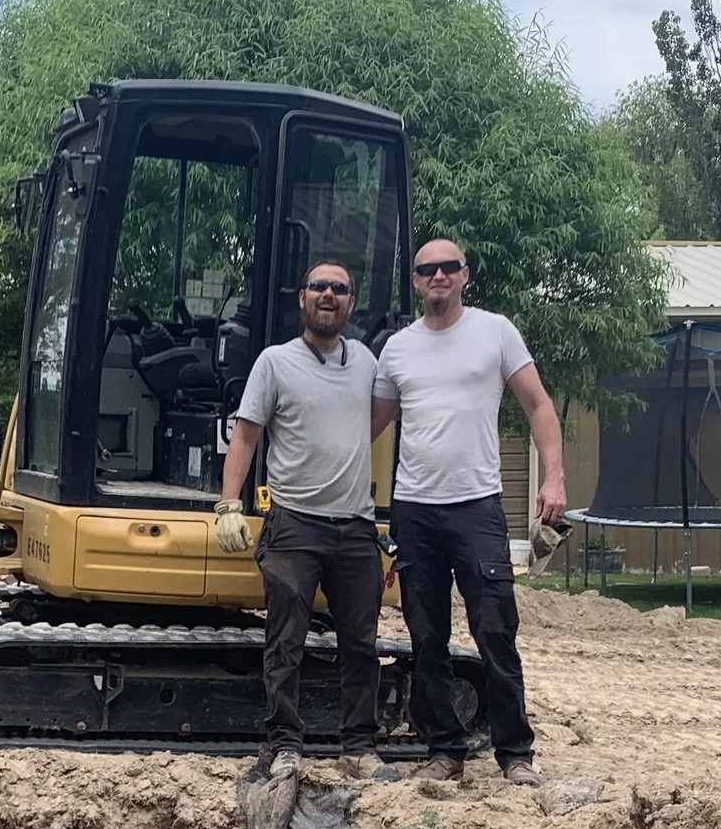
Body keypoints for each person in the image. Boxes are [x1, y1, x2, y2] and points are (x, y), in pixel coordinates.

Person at [372, 237, 566, 786]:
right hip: (414, 510)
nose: (438, 276)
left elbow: (538, 403)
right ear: (415, 281)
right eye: (426, 269)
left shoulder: (494, 331)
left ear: (465, 275)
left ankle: (515, 754)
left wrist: (554, 476)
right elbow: (372, 424)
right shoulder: (397, 349)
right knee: (426, 634)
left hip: (477, 507)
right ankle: (445, 750)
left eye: (448, 268)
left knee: (494, 628)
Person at [216, 261, 398, 784]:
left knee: (362, 643)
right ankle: (284, 746)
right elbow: (246, 435)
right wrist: (230, 503)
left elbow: (379, 417)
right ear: (302, 298)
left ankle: (358, 748)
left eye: (339, 289)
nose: (328, 295)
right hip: (295, 524)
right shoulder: (275, 363)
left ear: (349, 303)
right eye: (319, 286)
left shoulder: (364, 361)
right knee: (286, 639)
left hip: (356, 527)